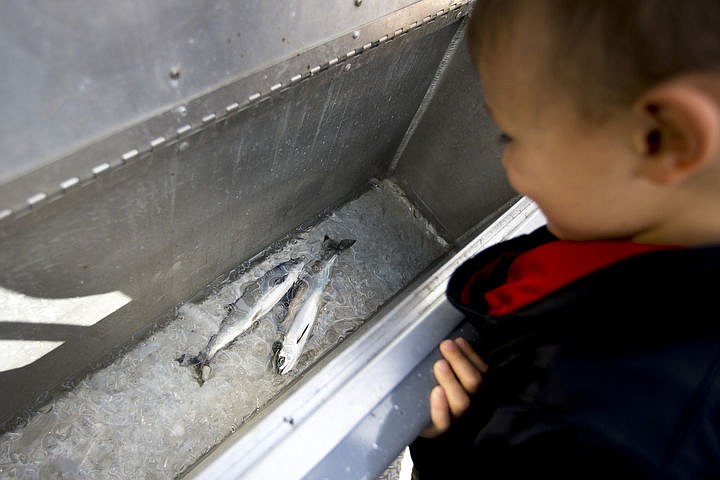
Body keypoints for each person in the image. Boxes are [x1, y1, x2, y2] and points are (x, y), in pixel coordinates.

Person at [409, 1, 720, 478]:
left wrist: (451, 442)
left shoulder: (590, 429)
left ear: (661, 138)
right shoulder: (646, 227)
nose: (507, 167)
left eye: (509, 136)